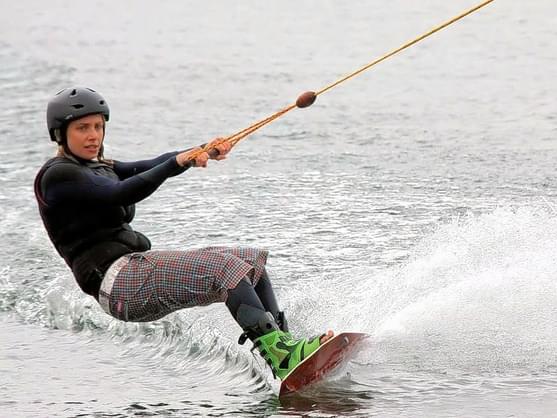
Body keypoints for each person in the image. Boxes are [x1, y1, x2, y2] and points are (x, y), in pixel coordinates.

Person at [34, 86, 333, 380]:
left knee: (251, 261)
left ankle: (287, 351)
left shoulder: (100, 166)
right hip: (118, 285)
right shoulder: (58, 175)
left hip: (134, 270)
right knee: (225, 269)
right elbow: (121, 192)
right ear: (60, 133)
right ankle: (282, 356)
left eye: (98, 126)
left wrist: (199, 151)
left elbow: (150, 165)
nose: (93, 135)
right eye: (82, 128)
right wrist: (176, 162)